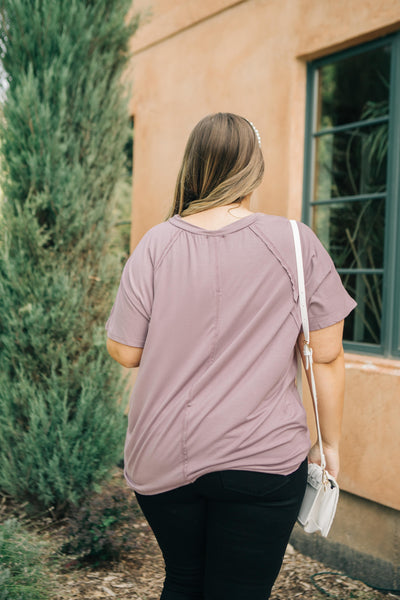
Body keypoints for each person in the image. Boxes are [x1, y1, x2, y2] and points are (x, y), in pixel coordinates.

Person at [105, 112, 357, 600]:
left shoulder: (156, 243)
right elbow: (325, 356)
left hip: (162, 457)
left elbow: (126, 351)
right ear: (253, 171)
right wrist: (330, 445)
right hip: (262, 460)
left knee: (183, 580)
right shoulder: (294, 241)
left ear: (193, 166)